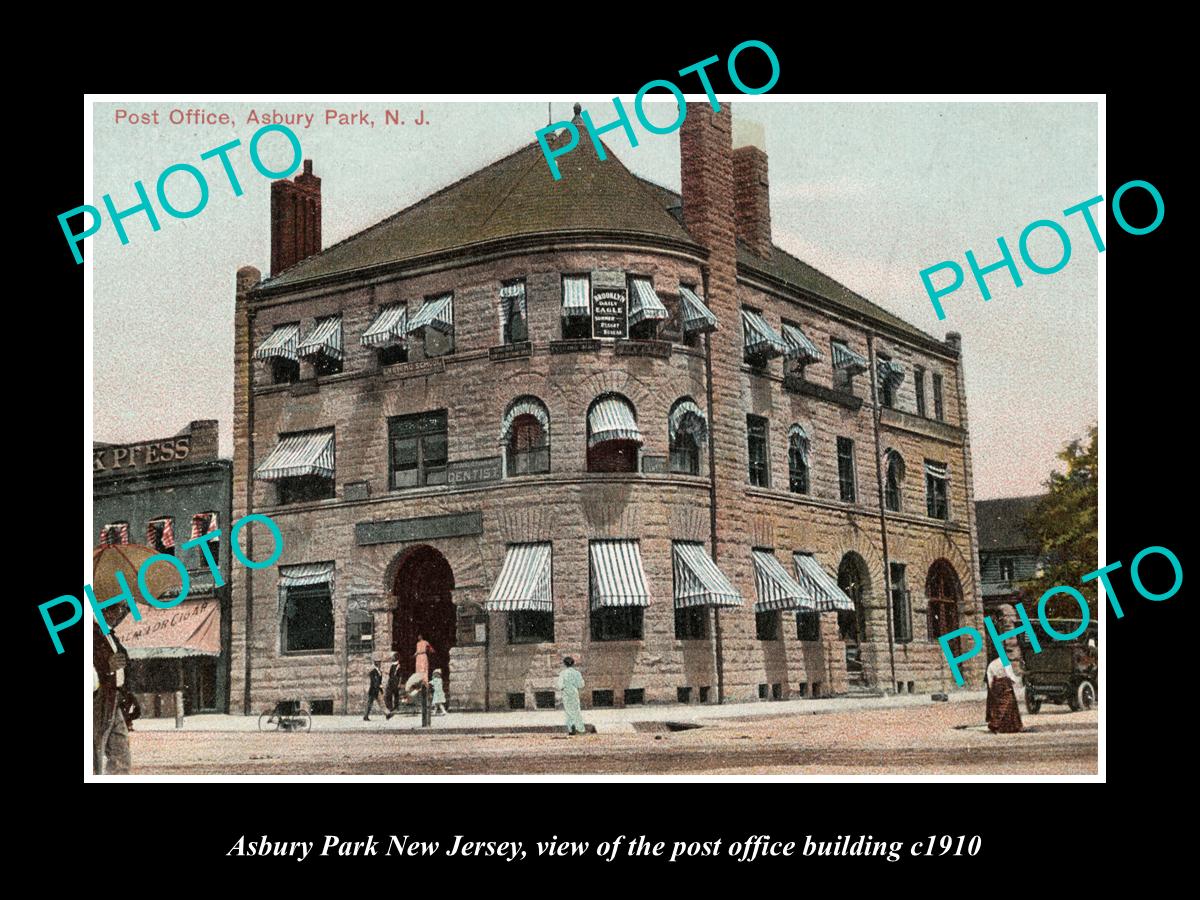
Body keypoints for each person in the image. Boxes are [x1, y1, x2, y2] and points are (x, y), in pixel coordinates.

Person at [93, 612, 132, 774]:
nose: (120, 613)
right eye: (115, 608)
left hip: (113, 697)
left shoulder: (107, 633)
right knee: (95, 749)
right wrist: (107, 668)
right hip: (97, 700)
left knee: (120, 750)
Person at [985, 648, 1024, 733]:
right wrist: (1017, 681)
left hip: (996, 685)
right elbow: (1010, 675)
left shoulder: (992, 664)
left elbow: (990, 677)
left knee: (998, 705)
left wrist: (992, 687)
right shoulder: (1005, 662)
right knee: (1008, 703)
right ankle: (1001, 725)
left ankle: (998, 724)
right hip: (1005, 684)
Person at [557, 657, 587, 736]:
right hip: (574, 692)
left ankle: (571, 728)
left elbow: (559, 685)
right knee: (576, 710)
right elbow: (581, 685)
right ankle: (580, 728)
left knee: (568, 711)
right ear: (573, 663)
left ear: (564, 664)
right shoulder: (577, 673)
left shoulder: (563, 673)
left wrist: (564, 687)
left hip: (566, 693)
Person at [384, 654, 401, 720]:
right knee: (389, 695)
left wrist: (399, 683)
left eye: (393, 657)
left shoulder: (398, 666)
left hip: (395, 681)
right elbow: (390, 675)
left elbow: (400, 675)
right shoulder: (392, 666)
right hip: (391, 681)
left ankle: (396, 707)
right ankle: (390, 707)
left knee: (396, 694)